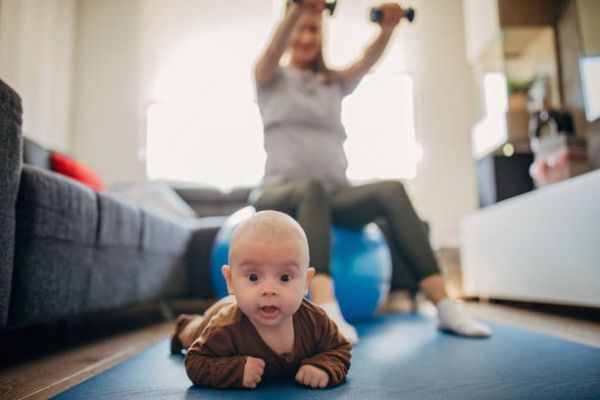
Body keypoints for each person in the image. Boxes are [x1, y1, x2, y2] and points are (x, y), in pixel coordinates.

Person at [251, 0, 491, 343]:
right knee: (312, 189)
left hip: (333, 195)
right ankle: (327, 309)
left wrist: (388, 28)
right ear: (290, 32)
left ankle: (445, 306)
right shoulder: (268, 76)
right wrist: (298, 10)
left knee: (391, 189)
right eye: (300, 29)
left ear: (321, 36)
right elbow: (275, 46)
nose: (306, 37)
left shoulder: (331, 83)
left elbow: (367, 60)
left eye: (313, 30)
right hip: (278, 195)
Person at [171, 210, 351, 389]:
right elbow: (195, 362)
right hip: (218, 312)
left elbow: (339, 348)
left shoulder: (315, 321)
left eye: (285, 278)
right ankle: (186, 325)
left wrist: (324, 366)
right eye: (253, 277)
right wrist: (235, 370)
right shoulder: (223, 328)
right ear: (230, 281)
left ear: (306, 282)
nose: (269, 290)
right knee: (192, 332)